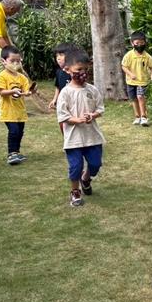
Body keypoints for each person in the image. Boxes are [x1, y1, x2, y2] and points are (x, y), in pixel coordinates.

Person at [56, 50, 105, 207]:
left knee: (95, 164)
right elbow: (62, 115)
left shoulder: (92, 90)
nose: (82, 72)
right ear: (68, 70)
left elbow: (100, 109)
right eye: (78, 69)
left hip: (92, 136)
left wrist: (93, 115)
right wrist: (76, 120)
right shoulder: (65, 93)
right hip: (74, 138)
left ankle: (86, 179)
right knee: (75, 167)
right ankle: (75, 191)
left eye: (85, 69)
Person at [0, 46, 33, 165]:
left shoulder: (22, 78)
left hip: (20, 110)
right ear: (3, 61)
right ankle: (11, 154)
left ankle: (16, 152)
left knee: (20, 132)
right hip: (8, 111)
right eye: (12, 61)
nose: (16, 63)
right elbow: (1, 92)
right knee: (14, 131)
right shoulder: (2, 76)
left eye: (18, 61)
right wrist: (12, 91)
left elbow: (26, 90)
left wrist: (28, 92)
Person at [121, 30, 152, 126]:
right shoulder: (129, 55)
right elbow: (124, 66)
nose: (139, 45)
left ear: (145, 43)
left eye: (142, 43)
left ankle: (144, 117)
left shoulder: (147, 56)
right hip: (131, 82)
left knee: (140, 97)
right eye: (137, 43)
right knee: (134, 99)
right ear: (132, 43)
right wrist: (130, 74)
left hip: (142, 81)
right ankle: (137, 116)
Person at [48, 43, 75, 110]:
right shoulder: (58, 72)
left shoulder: (74, 72)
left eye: (61, 55)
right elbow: (58, 87)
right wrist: (55, 99)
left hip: (73, 102)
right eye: (57, 56)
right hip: (62, 102)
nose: (58, 58)